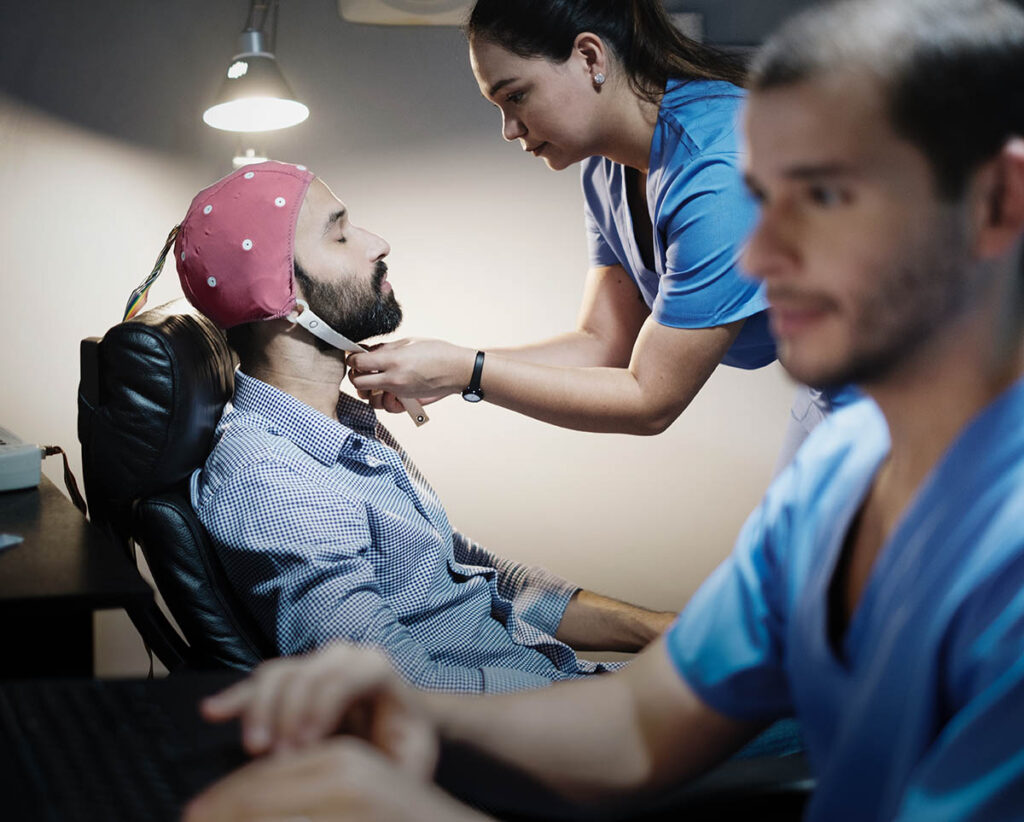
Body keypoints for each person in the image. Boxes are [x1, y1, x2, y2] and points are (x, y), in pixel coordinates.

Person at [183, 0, 1024, 819]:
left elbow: (648, 392)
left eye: (818, 199)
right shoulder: (833, 486)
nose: (755, 257)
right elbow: (633, 727)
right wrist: (406, 712)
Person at [170, 160, 675, 693]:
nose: (377, 243)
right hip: (547, 732)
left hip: (564, 691)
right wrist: (632, 699)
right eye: (339, 235)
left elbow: (471, 577)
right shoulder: (270, 481)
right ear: (283, 298)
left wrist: (658, 630)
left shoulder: (346, 427)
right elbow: (399, 696)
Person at [346, 0, 855, 466]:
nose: (510, 129)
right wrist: (447, 369)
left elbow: (650, 401)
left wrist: (465, 371)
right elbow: (603, 343)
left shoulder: (720, 169)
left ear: (590, 58)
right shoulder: (606, 168)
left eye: (516, 96)